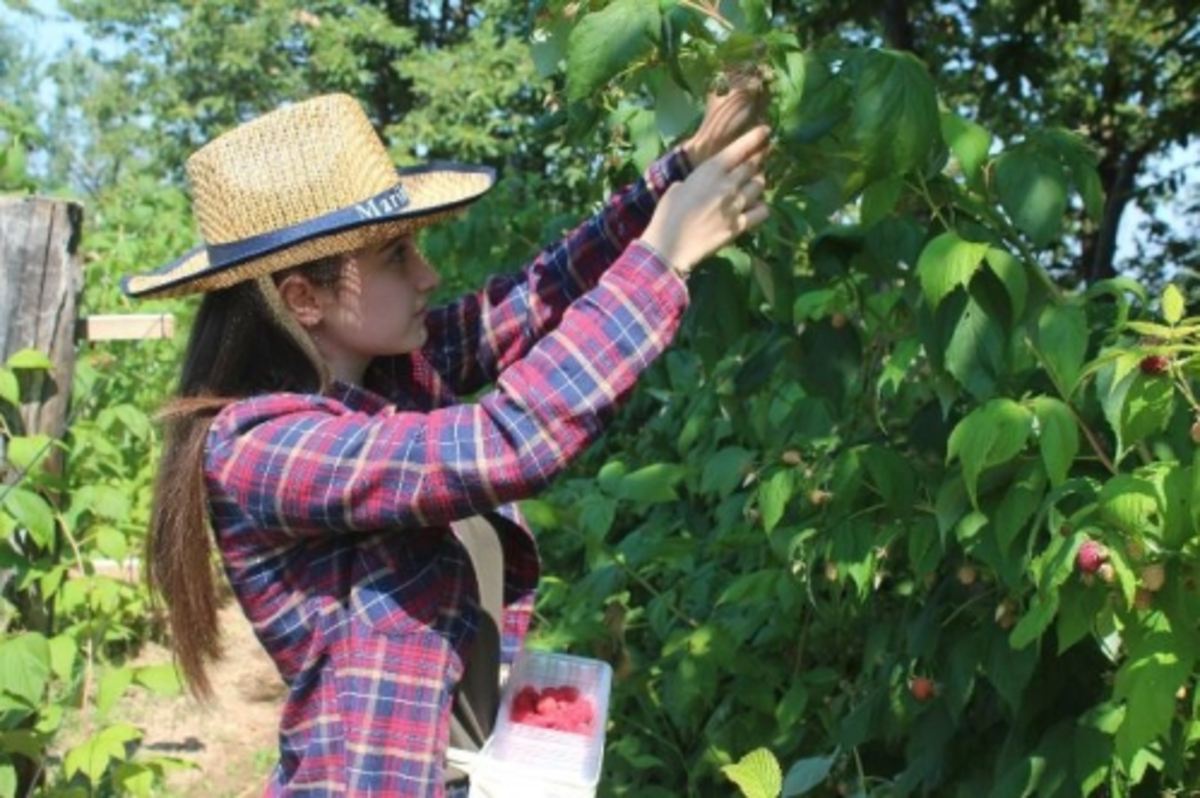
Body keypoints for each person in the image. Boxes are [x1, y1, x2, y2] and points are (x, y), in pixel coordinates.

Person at [124, 80, 769, 796]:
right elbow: (503, 442)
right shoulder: (260, 450)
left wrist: (677, 172)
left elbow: (533, 298)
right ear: (302, 298)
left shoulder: (389, 376)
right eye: (396, 255)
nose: (427, 273)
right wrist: (663, 259)